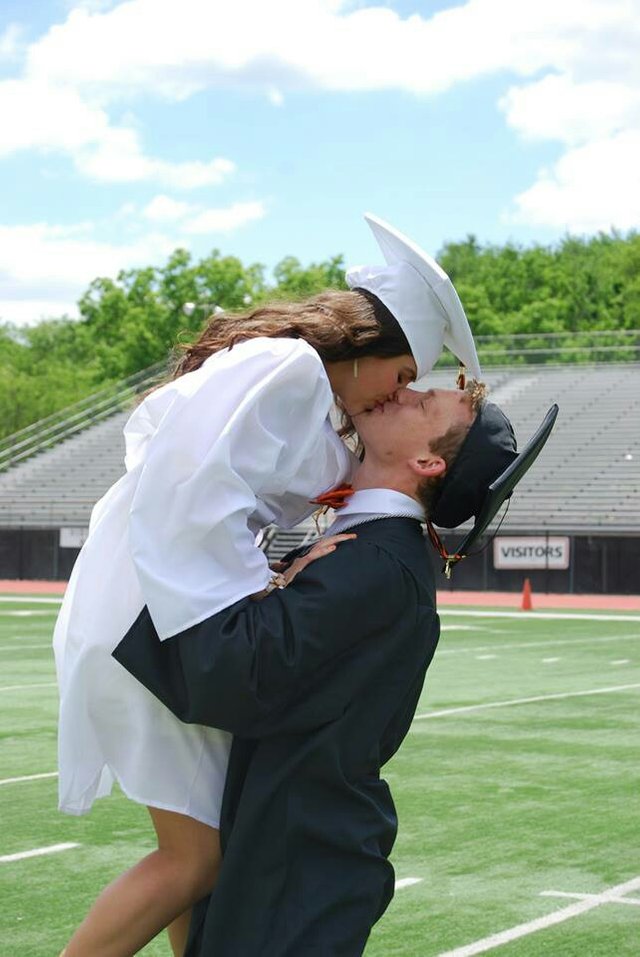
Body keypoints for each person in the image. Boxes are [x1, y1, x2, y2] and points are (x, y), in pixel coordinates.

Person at [54, 214, 482, 957]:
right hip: (154, 603)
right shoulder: (286, 370)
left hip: (180, 592)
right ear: (373, 349)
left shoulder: (315, 402)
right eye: (405, 374)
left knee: (209, 843)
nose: (398, 393)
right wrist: (259, 590)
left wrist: (278, 571)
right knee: (194, 856)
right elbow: (186, 482)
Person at [113, 384, 558, 956]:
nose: (402, 392)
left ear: (427, 462)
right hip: (294, 853)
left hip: (298, 869)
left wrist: (137, 573)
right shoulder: (372, 550)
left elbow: (233, 674)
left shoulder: (375, 564)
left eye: (421, 404)